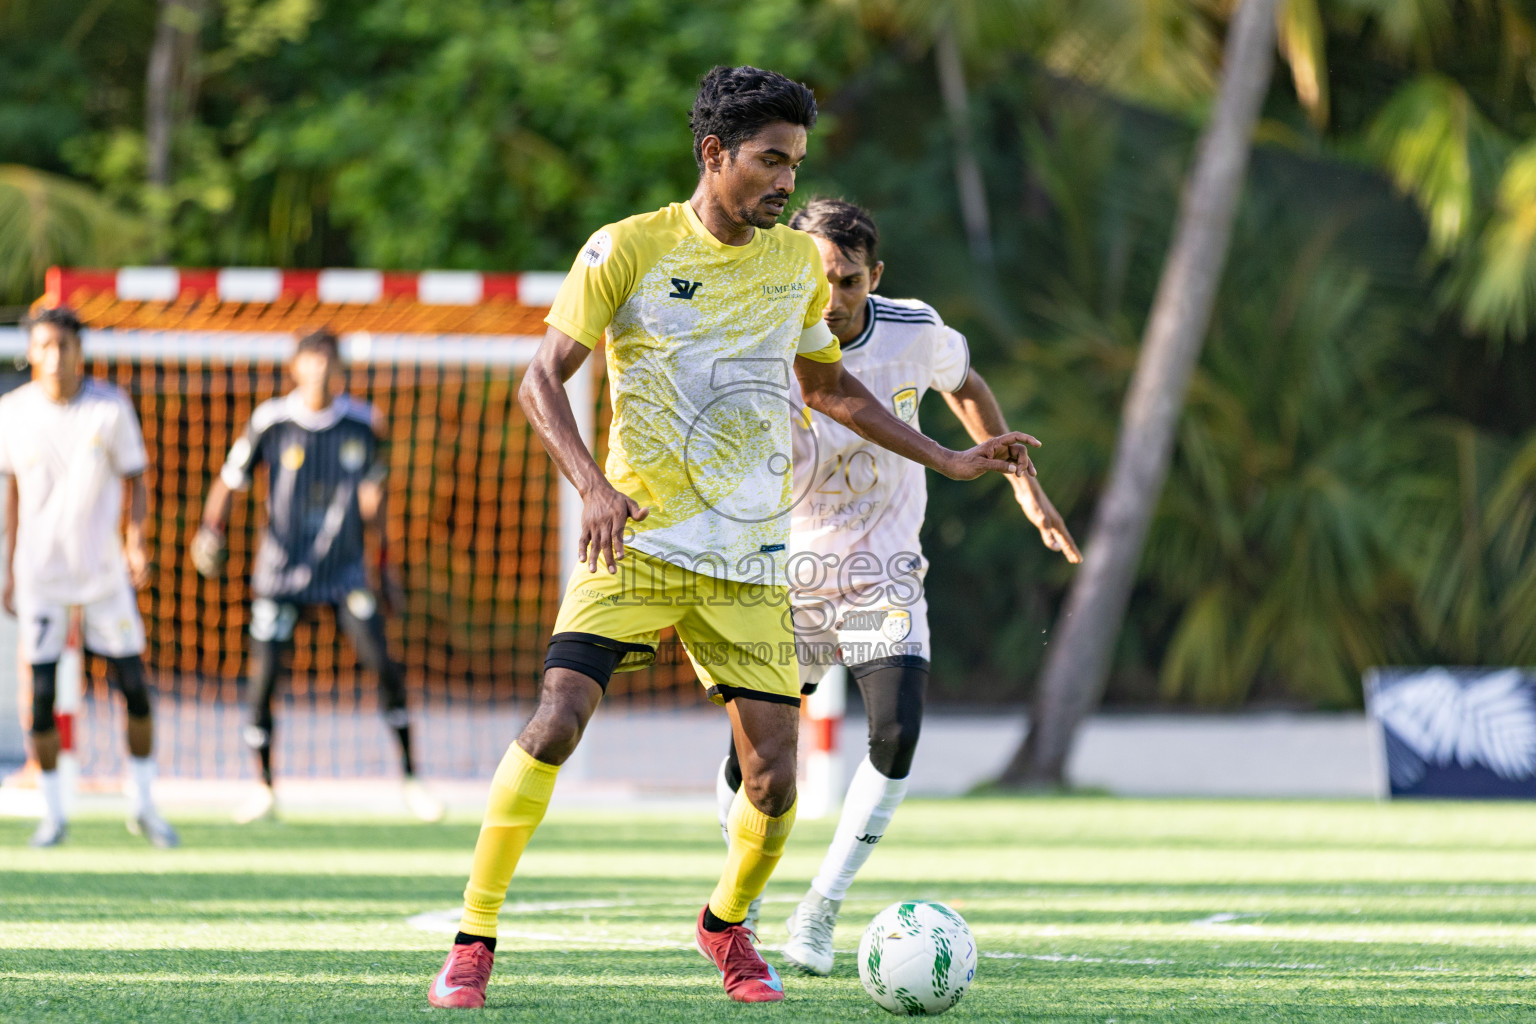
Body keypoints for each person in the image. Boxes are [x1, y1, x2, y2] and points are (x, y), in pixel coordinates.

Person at [426, 65, 1039, 1010]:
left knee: (776, 782)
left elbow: (830, 390)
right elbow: (540, 380)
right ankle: (475, 936)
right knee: (557, 720)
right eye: (771, 161)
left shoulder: (796, 265)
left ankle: (724, 927)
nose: (788, 181)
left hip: (749, 564)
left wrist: (952, 460)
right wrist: (590, 484)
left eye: (796, 162)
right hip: (634, 543)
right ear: (715, 154)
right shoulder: (624, 250)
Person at [714, 197, 1082, 975]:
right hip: (787, 572)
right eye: (819, 276)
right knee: (758, 763)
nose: (833, 295)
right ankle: (738, 912)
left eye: (848, 280)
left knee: (896, 734)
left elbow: (968, 382)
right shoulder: (761, 328)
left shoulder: (914, 329)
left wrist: (1020, 478)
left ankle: (819, 910)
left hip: (884, 573)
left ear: (873, 277)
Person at [191, 329, 442, 824]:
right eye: (312, 362)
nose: (321, 371)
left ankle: (412, 779)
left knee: (384, 666)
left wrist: (385, 564)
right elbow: (229, 480)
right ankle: (264, 787)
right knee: (263, 678)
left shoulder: (364, 424)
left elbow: (376, 501)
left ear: (341, 371)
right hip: (281, 574)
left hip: (345, 571)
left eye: (329, 363)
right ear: (295, 367)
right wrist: (209, 529)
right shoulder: (272, 421)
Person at [0, 306, 178, 849]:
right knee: (41, 699)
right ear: (31, 352)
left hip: (103, 578)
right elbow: (8, 492)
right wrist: (6, 566)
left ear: (81, 351)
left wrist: (135, 540)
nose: (57, 356)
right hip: (41, 577)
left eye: (66, 346)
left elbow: (136, 479)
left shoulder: (110, 407)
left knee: (135, 690)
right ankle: (54, 813)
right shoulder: (12, 411)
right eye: (46, 346)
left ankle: (144, 805)